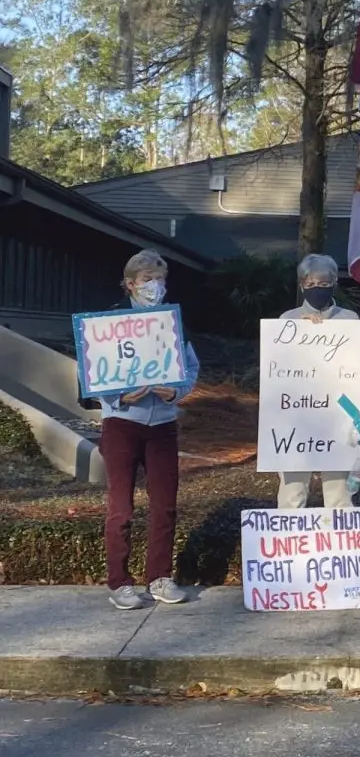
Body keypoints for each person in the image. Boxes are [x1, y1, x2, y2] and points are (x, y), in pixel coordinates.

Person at [100, 250, 200, 610]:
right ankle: (120, 583)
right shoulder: (108, 323)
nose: (154, 286)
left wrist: (177, 391)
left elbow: (190, 366)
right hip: (121, 424)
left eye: (160, 280)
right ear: (130, 283)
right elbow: (93, 374)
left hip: (163, 425)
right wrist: (120, 395)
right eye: (147, 280)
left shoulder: (173, 323)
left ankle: (160, 577)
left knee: (164, 506)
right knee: (120, 509)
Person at [275, 253, 360, 510]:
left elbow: (359, 365)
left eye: (323, 284)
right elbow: (276, 368)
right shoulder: (286, 320)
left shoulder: (351, 320)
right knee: (292, 491)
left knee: (339, 494)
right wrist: (300, 334)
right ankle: (288, 544)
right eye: (310, 284)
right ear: (301, 285)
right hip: (297, 414)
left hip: (339, 413)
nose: (316, 289)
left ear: (334, 282)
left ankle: (340, 544)